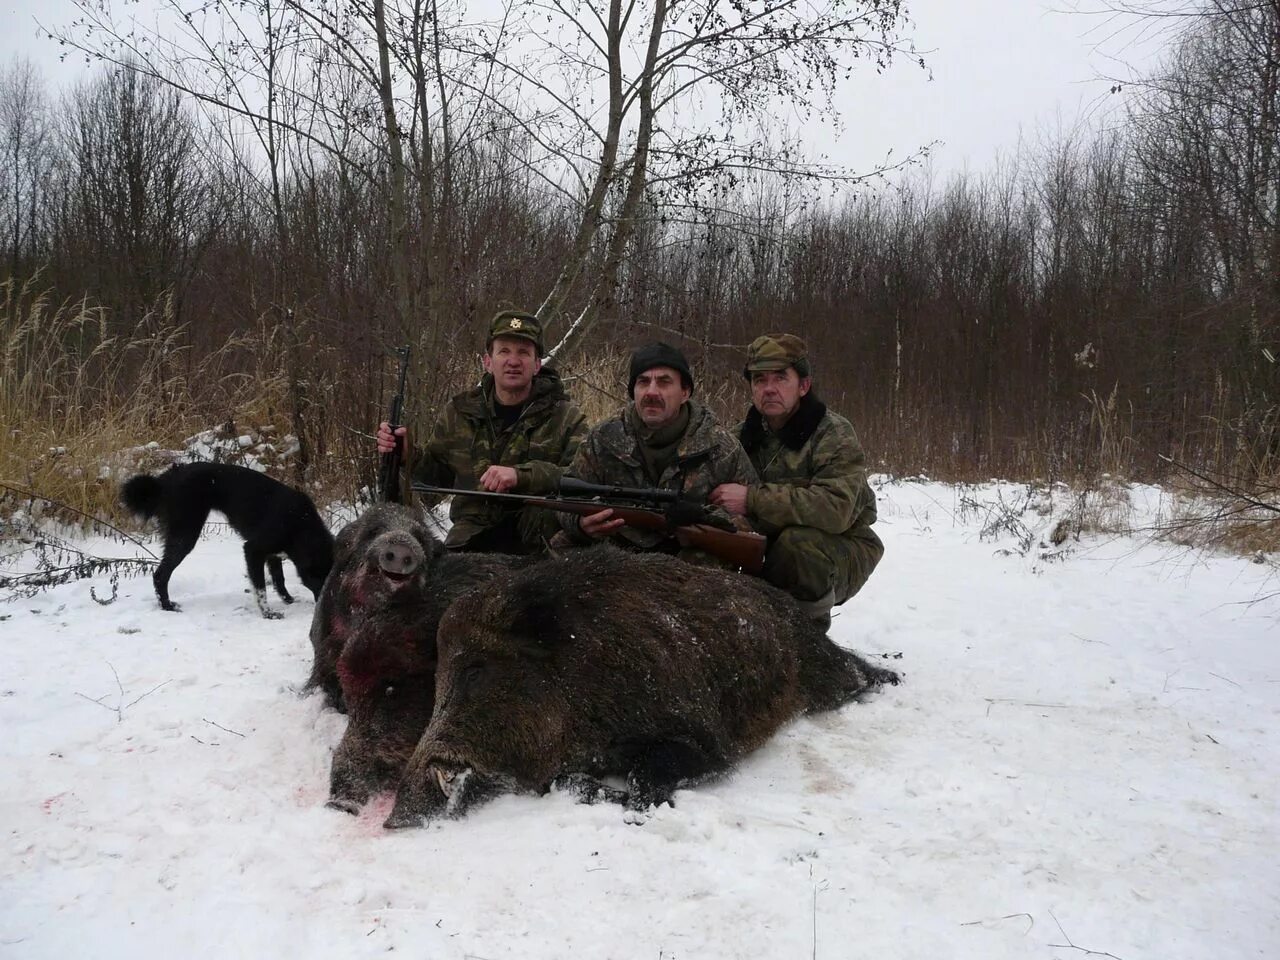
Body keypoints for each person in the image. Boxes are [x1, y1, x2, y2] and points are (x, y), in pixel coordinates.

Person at [377, 309, 587, 554]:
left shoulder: (566, 417)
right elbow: (432, 483)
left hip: (540, 542)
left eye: (523, 352)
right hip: (470, 540)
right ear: (488, 362)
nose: (513, 361)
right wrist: (406, 456)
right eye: (504, 351)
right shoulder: (459, 412)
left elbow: (582, 482)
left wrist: (523, 476)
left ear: (537, 364)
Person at [709, 334, 882, 627]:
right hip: (765, 545)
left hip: (841, 547)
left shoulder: (832, 434)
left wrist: (751, 500)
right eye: (760, 379)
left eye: (780, 378)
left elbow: (835, 509)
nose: (769, 388)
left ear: (803, 386)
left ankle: (807, 641)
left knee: (797, 546)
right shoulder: (737, 438)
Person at [556, 341, 757, 561]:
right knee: (561, 547)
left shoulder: (720, 446)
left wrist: (702, 517)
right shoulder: (602, 438)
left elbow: (753, 520)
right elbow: (565, 500)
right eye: (643, 382)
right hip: (618, 549)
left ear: (685, 392)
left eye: (664, 382)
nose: (651, 392)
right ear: (633, 391)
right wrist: (581, 525)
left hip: (690, 557)